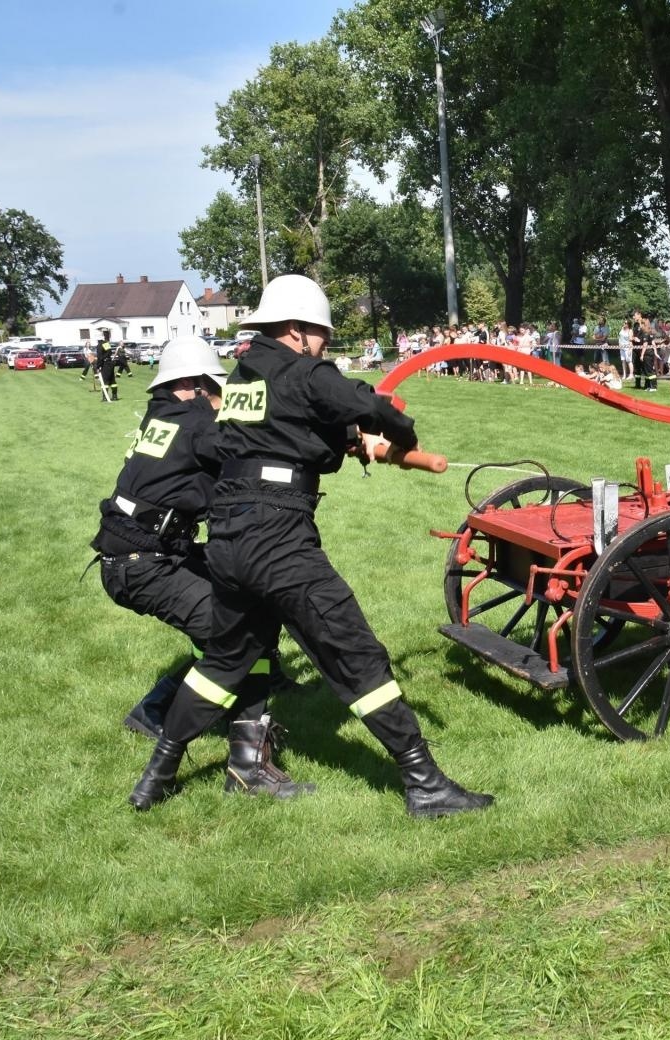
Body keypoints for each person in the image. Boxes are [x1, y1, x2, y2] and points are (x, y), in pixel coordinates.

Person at [127, 275, 492, 818]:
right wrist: (400, 436)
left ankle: (157, 775)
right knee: (356, 654)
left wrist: (345, 442)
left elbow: (279, 434)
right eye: (321, 333)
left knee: (225, 660)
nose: (323, 343)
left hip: (228, 537)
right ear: (297, 331)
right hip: (278, 537)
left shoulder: (247, 376)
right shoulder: (304, 368)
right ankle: (425, 782)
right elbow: (368, 404)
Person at [91, 337, 299, 767]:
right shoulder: (195, 422)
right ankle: (169, 717)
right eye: (216, 387)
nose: (225, 398)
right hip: (145, 564)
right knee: (236, 634)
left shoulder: (164, 414)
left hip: (145, 553)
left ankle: (262, 683)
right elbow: (245, 443)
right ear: (193, 385)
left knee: (254, 591)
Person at [94, 327, 121, 402]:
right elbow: (110, 352)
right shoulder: (106, 343)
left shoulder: (99, 345)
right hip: (110, 363)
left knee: (105, 381)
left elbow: (99, 357)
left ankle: (105, 397)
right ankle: (115, 396)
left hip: (105, 364)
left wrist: (98, 366)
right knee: (112, 380)